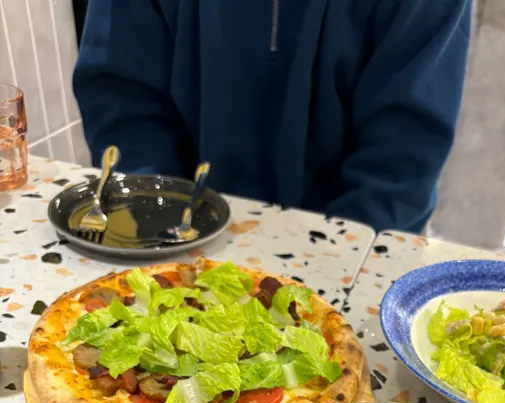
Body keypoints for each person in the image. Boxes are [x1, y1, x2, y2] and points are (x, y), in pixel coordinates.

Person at [74, 0, 471, 235]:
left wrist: (332, 273)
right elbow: (124, 103)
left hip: (351, 252)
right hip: (177, 242)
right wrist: (164, 229)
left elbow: (402, 157)